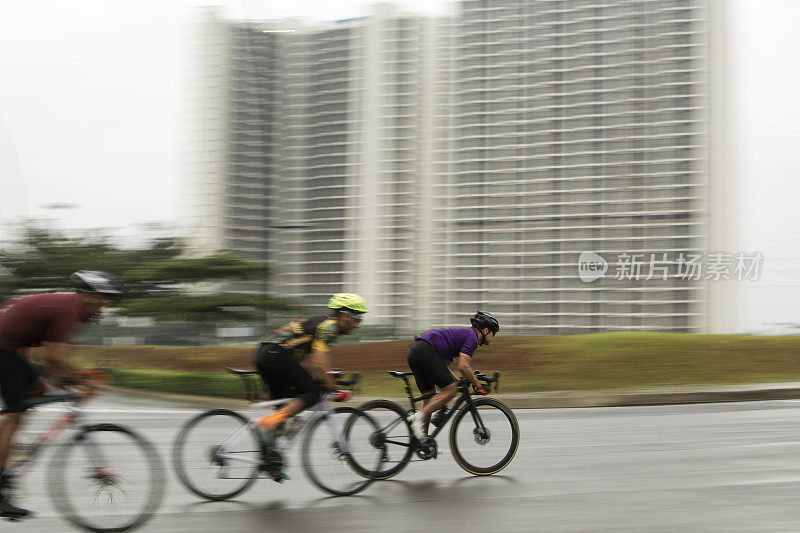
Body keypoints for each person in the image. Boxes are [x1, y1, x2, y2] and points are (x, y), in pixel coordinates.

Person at [0, 270, 123, 518]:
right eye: (104, 301)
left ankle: (8, 443)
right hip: (4, 351)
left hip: (10, 350)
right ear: (91, 296)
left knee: (39, 389)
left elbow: (51, 364)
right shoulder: (69, 310)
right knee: (15, 416)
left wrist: (70, 379)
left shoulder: (66, 306)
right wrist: (79, 380)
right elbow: (54, 358)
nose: (104, 308)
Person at [253, 293, 367, 434]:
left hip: (265, 354)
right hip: (276, 355)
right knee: (313, 393)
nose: (358, 325)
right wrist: (332, 389)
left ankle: (268, 451)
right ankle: (268, 424)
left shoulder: (320, 323)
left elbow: (309, 362)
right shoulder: (330, 327)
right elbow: (319, 360)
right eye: (357, 318)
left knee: (285, 407)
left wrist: (324, 378)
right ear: (344, 315)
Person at [405, 310, 499, 441]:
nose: (493, 337)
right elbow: (463, 366)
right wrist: (477, 385)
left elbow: (443, 365)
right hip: (425, 351)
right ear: (486, 330)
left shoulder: (460, 337)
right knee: (451, 390)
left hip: (415, 351)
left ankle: (423, 442)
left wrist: (457, 380)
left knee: (429, 400)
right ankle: (418, 416)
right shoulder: (472, 337)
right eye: (493, 334)